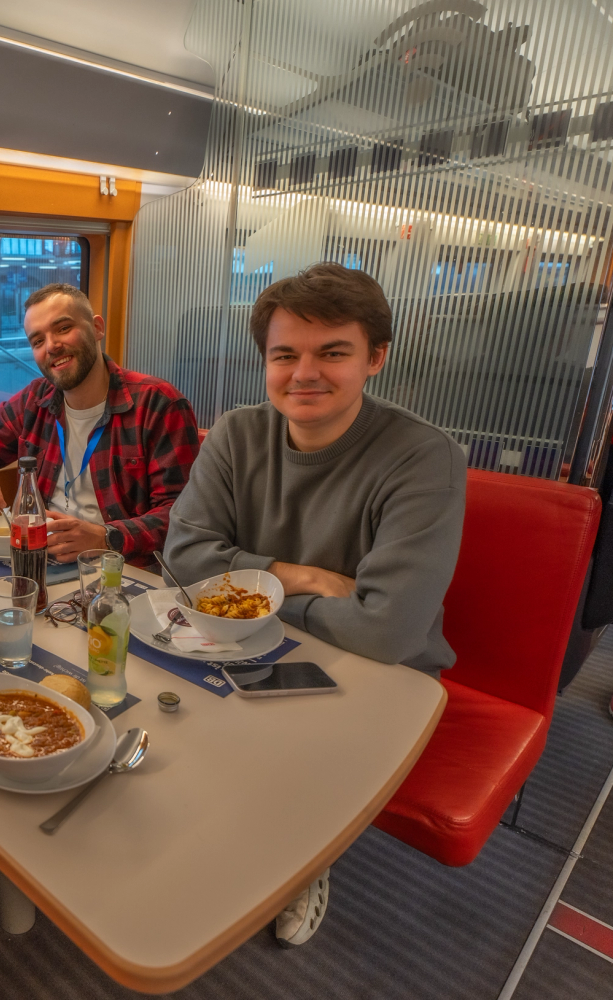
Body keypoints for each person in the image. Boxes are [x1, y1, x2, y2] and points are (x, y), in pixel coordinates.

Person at [164, 262, 466, 947]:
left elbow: (386, 631)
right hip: (261, 637)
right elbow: (183, 555)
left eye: (333, 353)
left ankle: (307, 858)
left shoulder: (424, 458)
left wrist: (244, 593)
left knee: (288, 758)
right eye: (285, 354)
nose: (305, 373)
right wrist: (293, 578)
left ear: (375, 359)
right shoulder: (238, 434)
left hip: (384, 672)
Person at [0, 283, 200, 567]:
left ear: (97, 328)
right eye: (38, 341)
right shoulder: (35, 400)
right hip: (39, 562)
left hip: (119, 569)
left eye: (63, 328)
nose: (51, 346)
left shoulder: (158, 403)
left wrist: (105, 537)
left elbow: (182, 515)